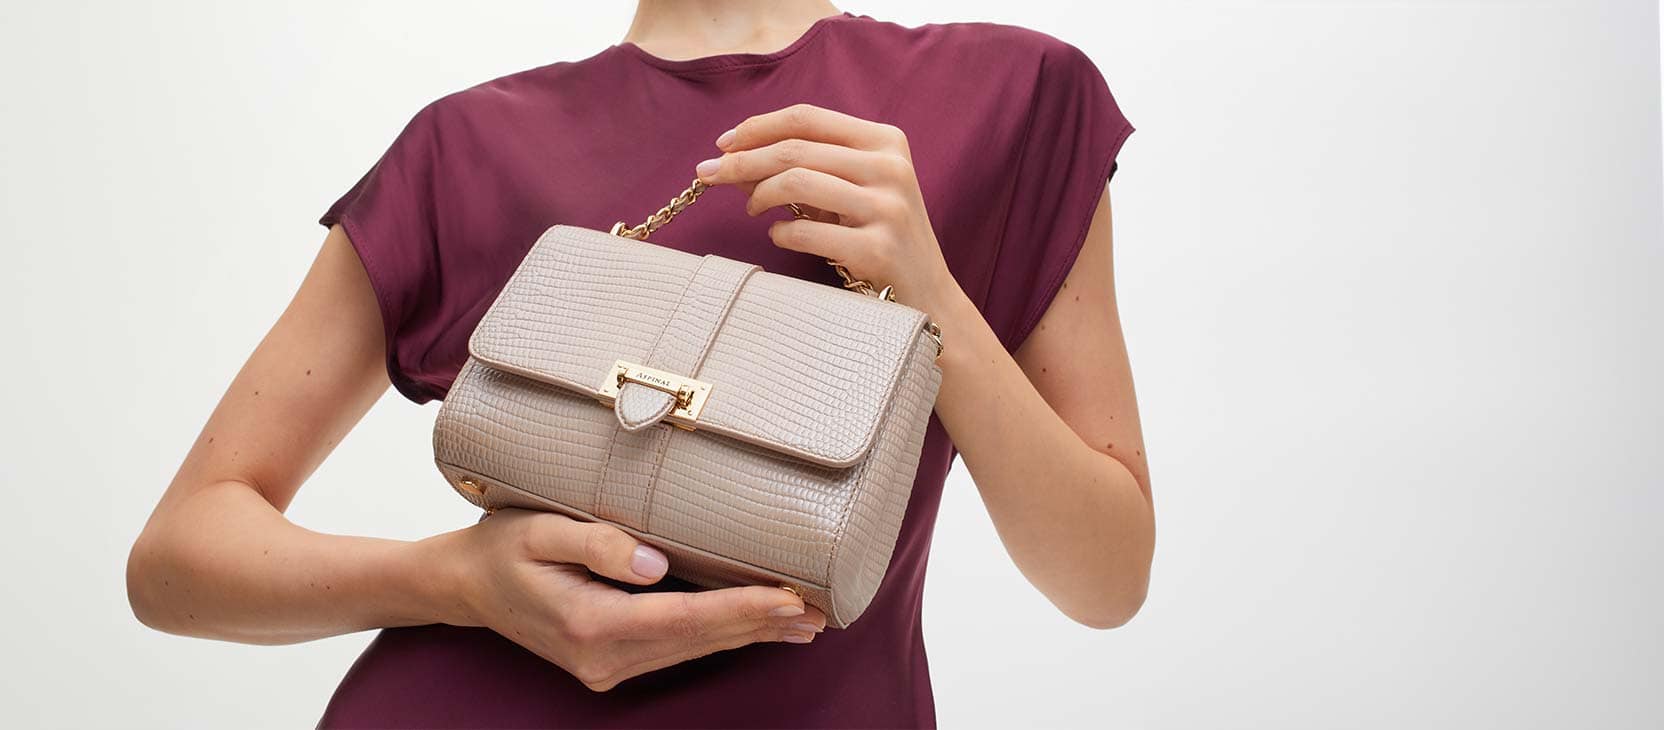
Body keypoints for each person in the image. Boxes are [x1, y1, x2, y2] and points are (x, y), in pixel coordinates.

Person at [125, 2, 1154, 727]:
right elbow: (178, 559)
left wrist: (937, 307)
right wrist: (458, 581)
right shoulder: (464, 146)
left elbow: (1106, 578)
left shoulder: (1012, 97)